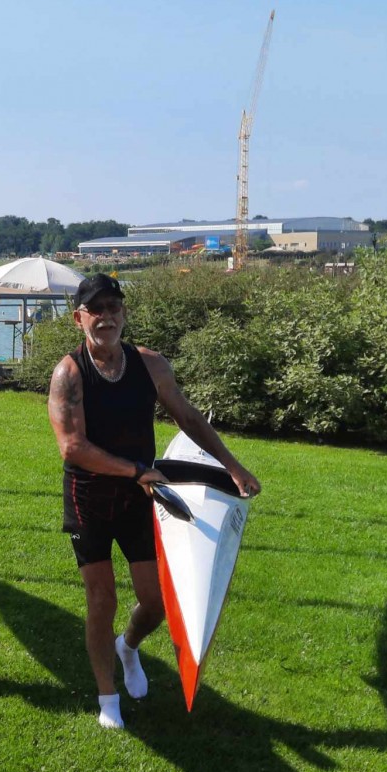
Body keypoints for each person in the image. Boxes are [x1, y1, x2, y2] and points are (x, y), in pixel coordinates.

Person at [47, 274, 260, 729]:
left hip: (140, 496)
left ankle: (128, 647)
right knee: (101, 599)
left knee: (156, 602)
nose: (106, 317)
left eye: (114, 308)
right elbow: (73, 447)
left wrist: (232, 467)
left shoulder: (150, 365)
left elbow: (188, 418)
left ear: (124, 314)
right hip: (89, 498)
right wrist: (136, 470)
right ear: (78, 318)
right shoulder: (70, 374)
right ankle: (108, 699)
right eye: (96, 309)